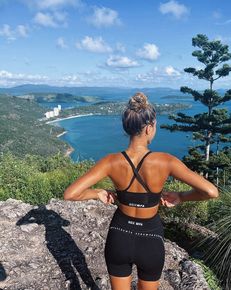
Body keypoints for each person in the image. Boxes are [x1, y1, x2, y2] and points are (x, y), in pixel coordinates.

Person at [64, 92, 219, 290]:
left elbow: (71, 194)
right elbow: (210, 192)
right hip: (150, 238)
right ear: (149, 128)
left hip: (119, 235)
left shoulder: (111, 161)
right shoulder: (166, 161)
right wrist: (181, 196)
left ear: (127, 128)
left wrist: (97, 193)